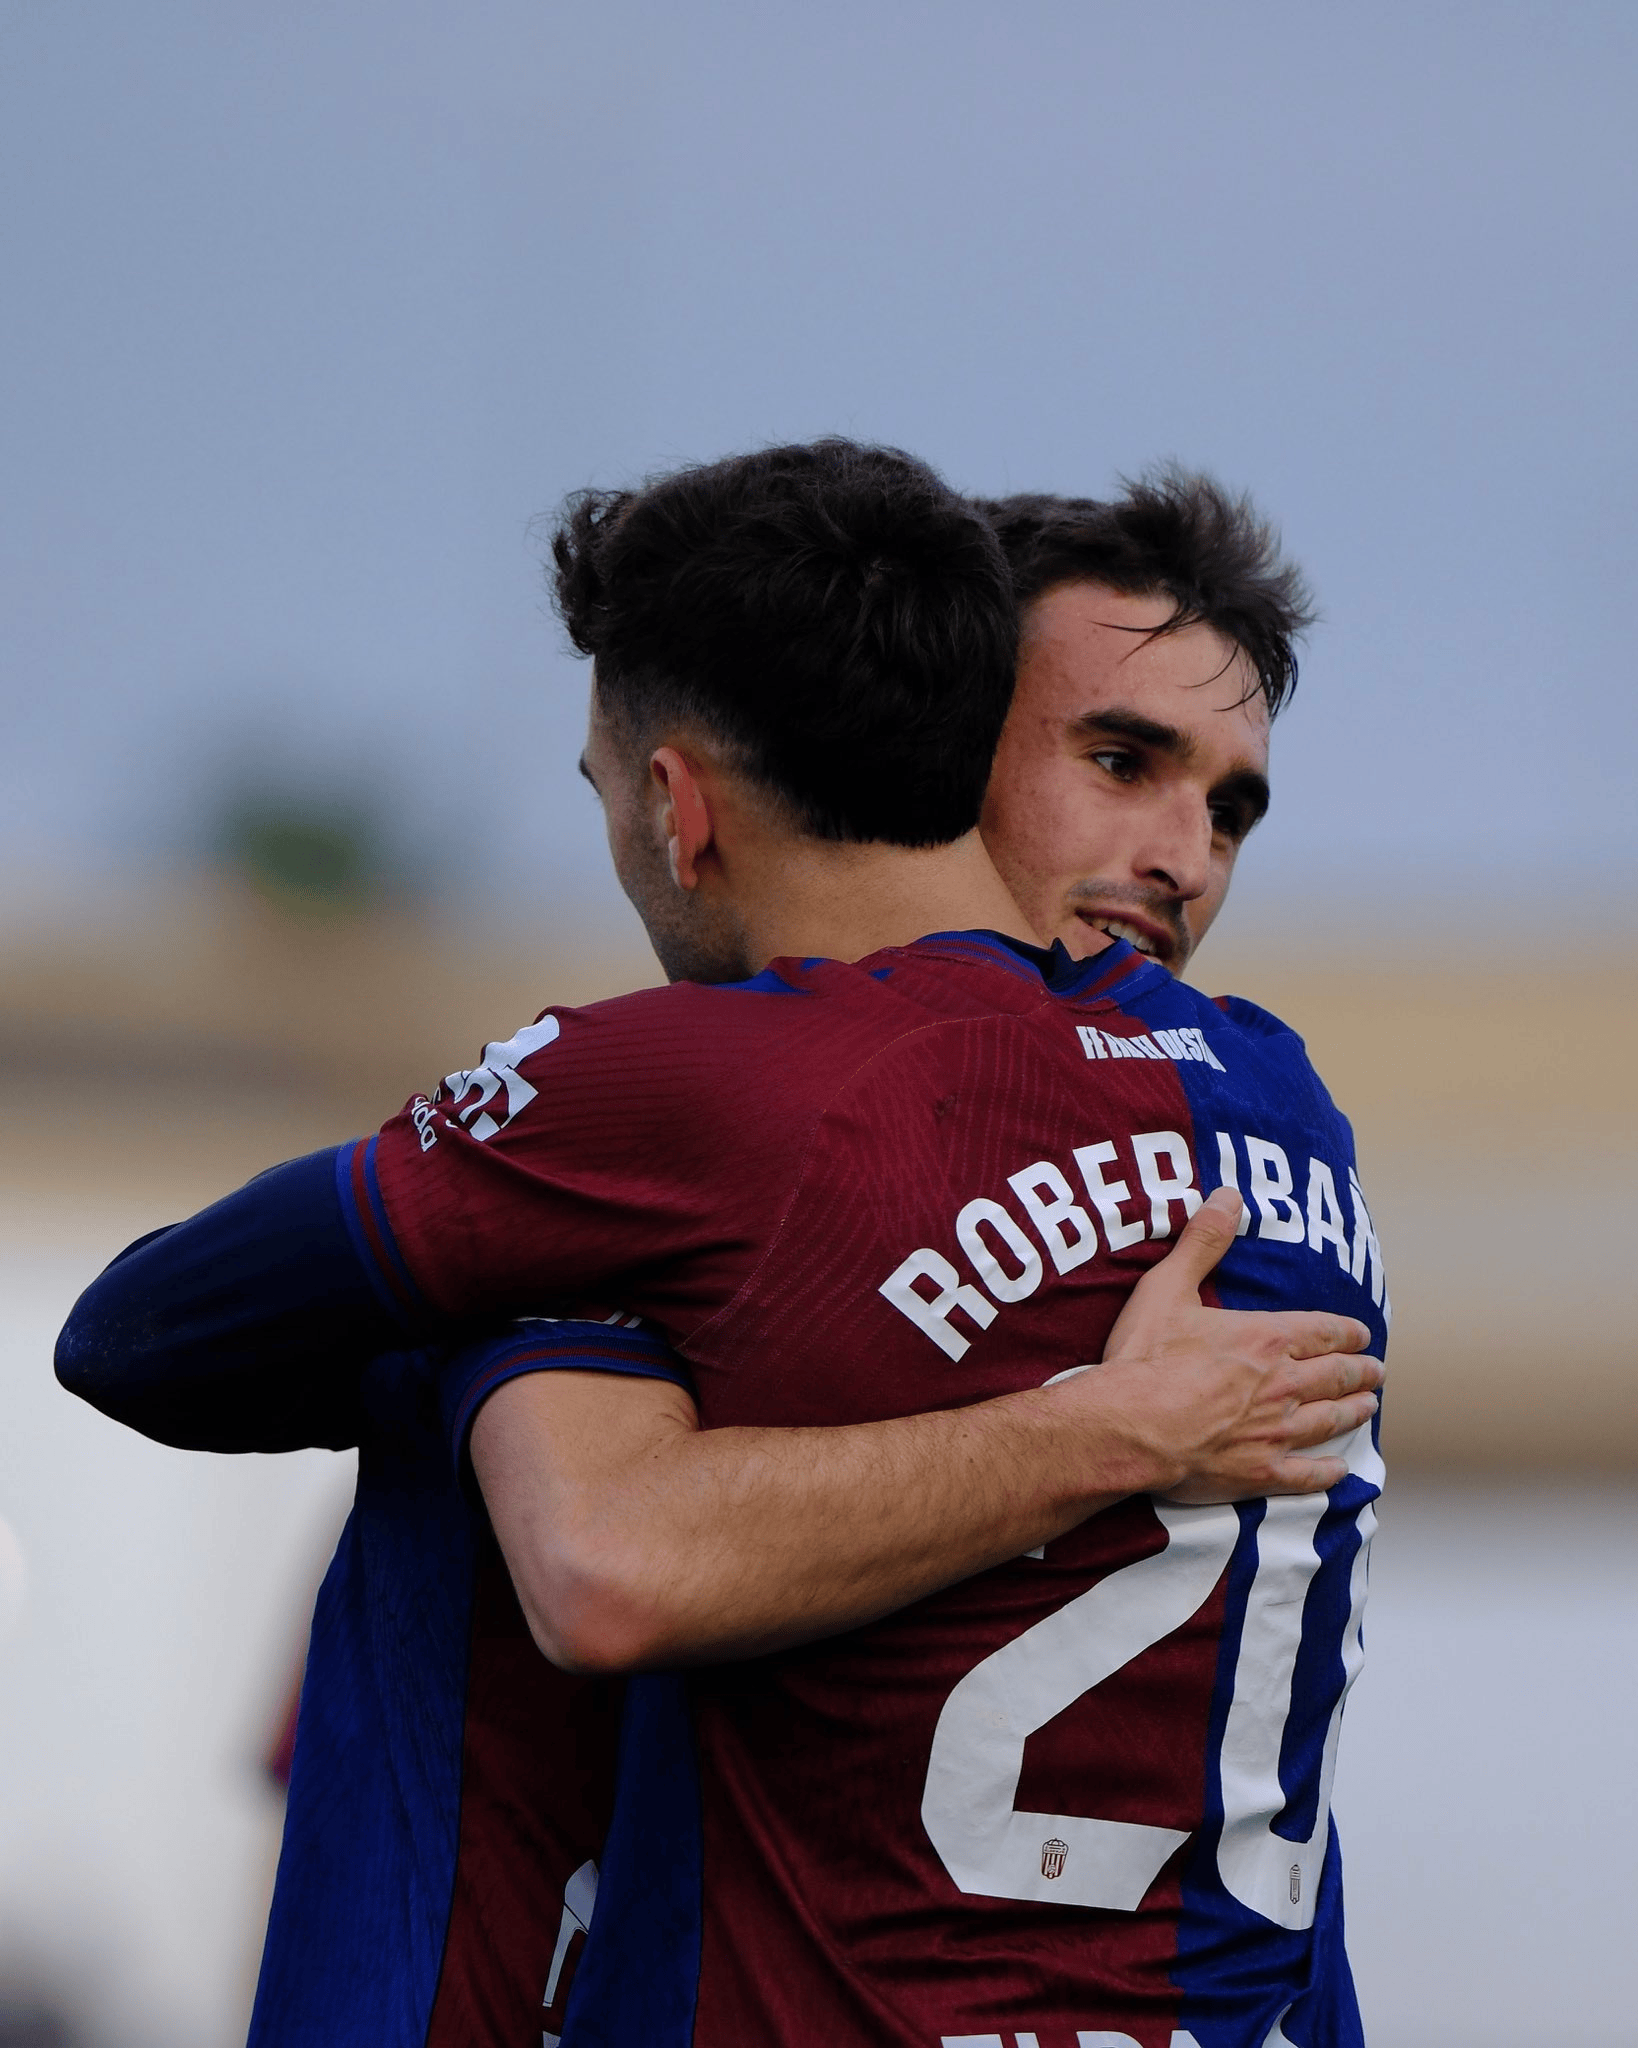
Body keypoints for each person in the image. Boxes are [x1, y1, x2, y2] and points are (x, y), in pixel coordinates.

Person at [57, 443, 1384, 2048]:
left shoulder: (680, 1110)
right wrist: (1095, 1432)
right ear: (944, 733)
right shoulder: (1274, 1107)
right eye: (1118, 760)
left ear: (677, 800)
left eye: (1227, 806)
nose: (1183, 855)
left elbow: (161, 1345)